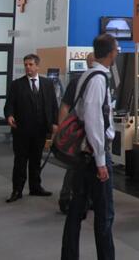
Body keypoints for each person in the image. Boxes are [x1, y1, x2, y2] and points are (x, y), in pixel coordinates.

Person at [61, 36, 117, 260]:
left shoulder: (88, 75)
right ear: (111, 52)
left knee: (77, 209)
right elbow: (94, 121)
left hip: (85, 153)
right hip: (94, 155)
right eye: (116, 49)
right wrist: (101, 161)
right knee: (105, 214)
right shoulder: (98, 79)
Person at [3, 54, 59, 202]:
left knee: (36, 160)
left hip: (40, 130)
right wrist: (9, 115)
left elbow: (53, 105)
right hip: (21, 130)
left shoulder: (47, 84)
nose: (27, 67)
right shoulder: (17, 84)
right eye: (26, 65)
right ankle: (17, 190)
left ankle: (35, 187)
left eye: (30, 64)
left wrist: (55, 123)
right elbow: (9, 105)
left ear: (37, 66)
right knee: (20, 161)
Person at [58, 53, 95, 214]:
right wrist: (62, 130)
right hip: (79, 131)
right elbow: (65, 106)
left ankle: (87, 198)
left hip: (91, 131)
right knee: (75, 165)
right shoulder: (78, 82)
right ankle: (66, 198)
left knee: (90, 167)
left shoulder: (98, 80)